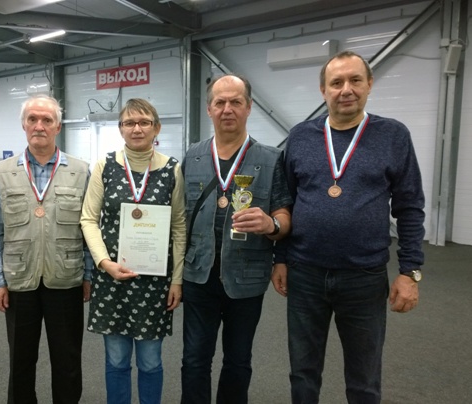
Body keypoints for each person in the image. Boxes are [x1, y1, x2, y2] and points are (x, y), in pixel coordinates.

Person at [271, 50, 425, 404]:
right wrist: (280, 258)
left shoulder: (393, 135)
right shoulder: (301, 136)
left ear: (369, 84)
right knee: (303, 373)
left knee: (364, 377)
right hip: (305, 273)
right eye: (336, 82)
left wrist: (410, 271)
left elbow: (410, 206)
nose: (346, 89)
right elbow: (285, 202)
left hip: (364, 276)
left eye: (355, 80)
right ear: (323, 90)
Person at [180, 74, 293, 403]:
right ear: (209, 109)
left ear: (249, 107)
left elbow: (285, 217)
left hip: (247, 276)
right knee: (194, 360)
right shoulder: (193, 156)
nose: (227, 109)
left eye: (235, 102)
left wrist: (271, 224)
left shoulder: (272, 159)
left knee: (238, 361)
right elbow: (178, 217)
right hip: (198, 274)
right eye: (220, 102)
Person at [0, 94, 93, 404]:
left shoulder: (80, 171)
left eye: (46, 120)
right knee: (20, 361)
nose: (39, 126)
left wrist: (88, 275)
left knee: (67, 361)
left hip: (66, 279)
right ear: (24, 125)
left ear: (58, 126)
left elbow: (88, 228)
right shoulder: (2, 172)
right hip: (19, 280)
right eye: (32, 119)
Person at [80, 98, 186, 404]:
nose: (137, 128)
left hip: (154, 281)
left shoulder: (172, 169)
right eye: (129, 123)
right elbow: (88, 219)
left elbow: (179, 226)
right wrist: (103, 262)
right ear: (121, 129)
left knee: (151, 362)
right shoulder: (105, 166)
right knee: (116, 361)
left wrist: (177, 279)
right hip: (112, 278)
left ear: (157, 128)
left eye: (144, 122)